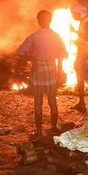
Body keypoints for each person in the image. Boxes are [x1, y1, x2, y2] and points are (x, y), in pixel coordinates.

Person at [17, 10, 69, 138]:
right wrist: (60, 72)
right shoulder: (57, 37)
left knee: (38, 102)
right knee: (52, 101)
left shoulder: (33, 37)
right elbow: (62, 56)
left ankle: (39, 131)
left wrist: (32, 59)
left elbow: (20, 52)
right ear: (50, 20)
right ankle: (53, 127)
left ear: (38, 21)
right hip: (51, 70)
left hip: (38, 71)